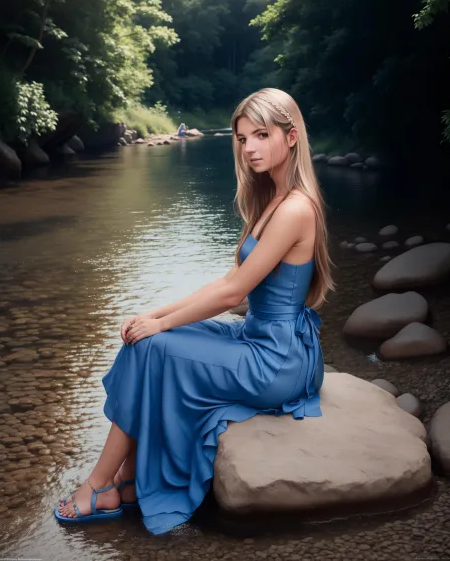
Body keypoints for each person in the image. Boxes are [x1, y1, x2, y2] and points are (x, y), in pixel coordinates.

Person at [55, 87, 335, 532]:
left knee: (154, 346)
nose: (250, 148)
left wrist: (159, 324)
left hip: (277, 359)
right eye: (243, 139)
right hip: (258, 338)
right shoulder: (271, 199)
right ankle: (126, 479)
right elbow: (228, 283)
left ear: (292, 135)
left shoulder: (296, 208)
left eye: (262, 135)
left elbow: (232, 295)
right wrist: (156, 314)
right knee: (148, 342)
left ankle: (100, 484)